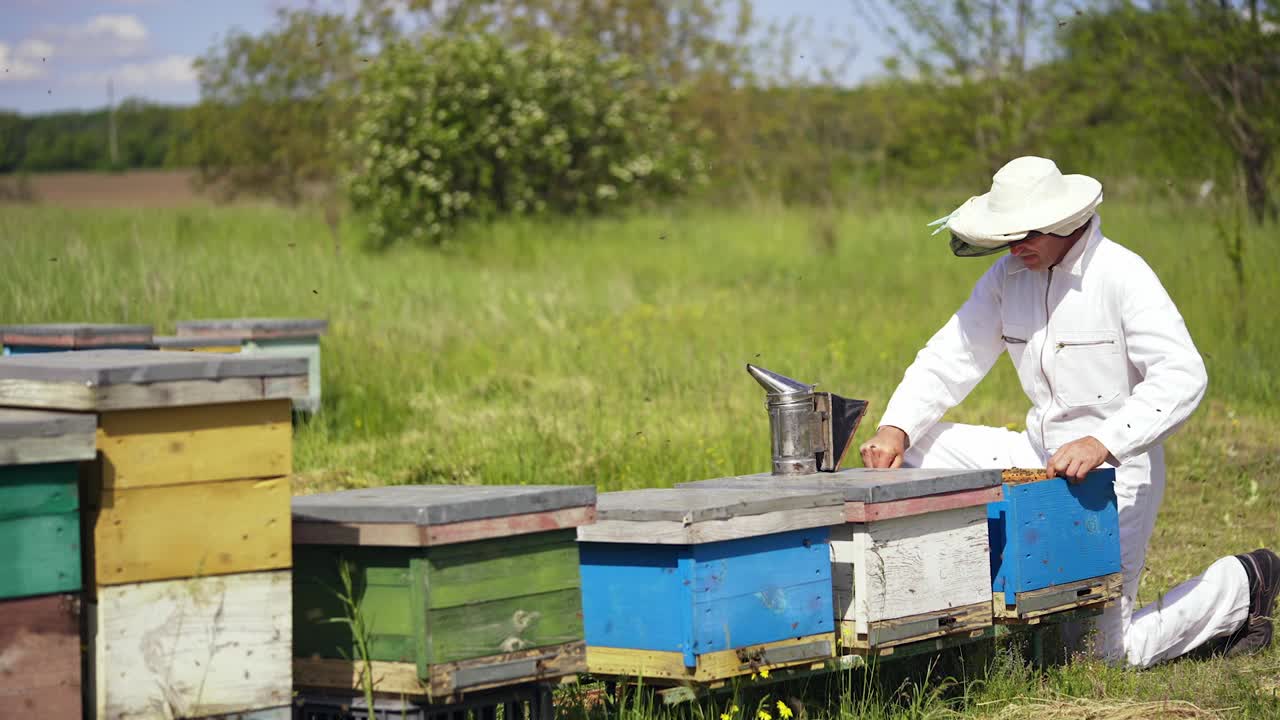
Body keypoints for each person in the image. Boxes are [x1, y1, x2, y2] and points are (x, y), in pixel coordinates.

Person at [857, 155, 1277, 668]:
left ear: (1063, 220)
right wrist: (895, 427)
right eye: (1007, 234)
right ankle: (955, 605)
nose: (1016, 247)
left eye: (1027, 233)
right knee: (914, 448)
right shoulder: (1006, 276)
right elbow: (953, 354)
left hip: (1118, 472)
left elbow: (1183, 374)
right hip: (1038, 454)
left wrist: (1103, 442)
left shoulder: (1121, 273)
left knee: (1099, 655)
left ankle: (1242, 584)